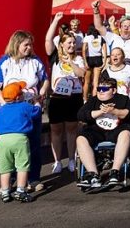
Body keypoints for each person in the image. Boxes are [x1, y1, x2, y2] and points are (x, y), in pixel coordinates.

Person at [0, 30, 48, 192]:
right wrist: (6, 103)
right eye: (26, 45)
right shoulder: (4, 62)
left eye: (30, 45)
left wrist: (40, 96)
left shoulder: (35, 61)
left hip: (30, 109)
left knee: (33, 144)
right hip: (11, 112)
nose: (29, 48)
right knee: (12, 145)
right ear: (17, 44)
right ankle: (12, 180)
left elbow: (45, 80)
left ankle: (34, 178)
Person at [75, 77, 130, 189]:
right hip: (97, 131)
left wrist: (114, 111)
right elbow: (80, 115)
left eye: (104, 89)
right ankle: (93, 174)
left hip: (117, 130)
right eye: (99, 89)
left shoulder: (123, 99)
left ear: (113, 90)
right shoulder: (93, 100)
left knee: (126, 133)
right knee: (80, 139)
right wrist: (100, 112)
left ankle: (115, 172)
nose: (101, 91)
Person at [45, 18, 86, 175]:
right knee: (55, 130)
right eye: (68, 43)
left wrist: (72, 62)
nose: (71, 45)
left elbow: (81, 74)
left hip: (74, 98)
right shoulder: (54, 56)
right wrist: (55, 21)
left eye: (73, 43)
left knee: (71, 129)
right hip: (57, 98)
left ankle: (70, 159)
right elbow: (48, 39)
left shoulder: (78, 58)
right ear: (61, 44)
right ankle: (56, 161)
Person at [0, 82, 42, 203]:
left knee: (5, 168)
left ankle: (5, 191)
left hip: (3, 140)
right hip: (20, 138)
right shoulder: (24, 106)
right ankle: (20, 190)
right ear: (18, 97)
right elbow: (37, 112)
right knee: (22, 166)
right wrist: (37, 102)